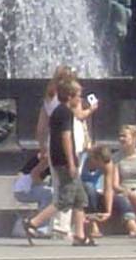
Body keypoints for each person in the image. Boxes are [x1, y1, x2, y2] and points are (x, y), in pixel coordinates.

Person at [21, 79, 92, 245]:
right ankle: (33, 223)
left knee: (80, 199)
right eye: (78, 96)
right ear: (69, 96)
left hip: (59, 158)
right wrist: (72, 162)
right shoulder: (65, 112)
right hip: (65, 161)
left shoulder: (57, 111)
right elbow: (66, 137)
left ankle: (80, 236)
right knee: (64, 200)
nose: (80, 99)